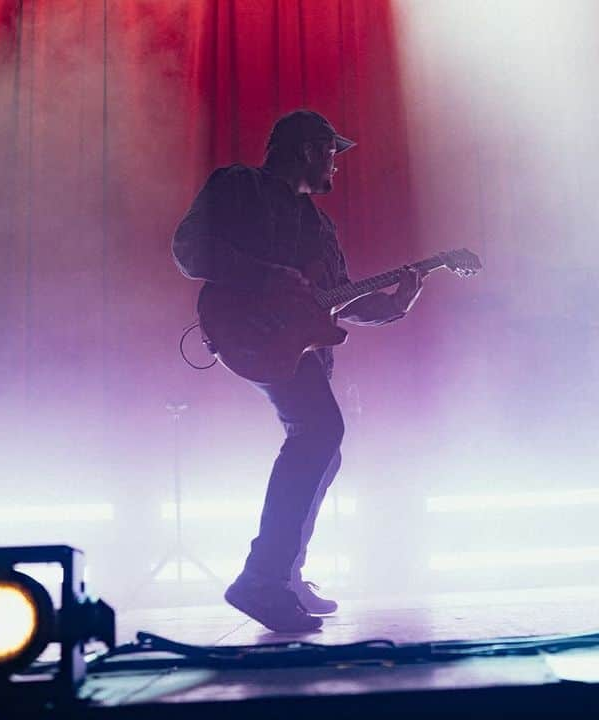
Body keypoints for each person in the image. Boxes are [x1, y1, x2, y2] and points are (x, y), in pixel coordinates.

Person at [172, 110, 425, 632]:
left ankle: (284, 576)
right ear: (310, 149)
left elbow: (336, 303)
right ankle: (261, 578)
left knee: (324, 449)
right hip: (246, 327)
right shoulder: (240, 186)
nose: (337, 166)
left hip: (301, 349)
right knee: (320, 431)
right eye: (333, 153)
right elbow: (189, 249)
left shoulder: (319, 225)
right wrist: (266, 276)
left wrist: (398, 303)